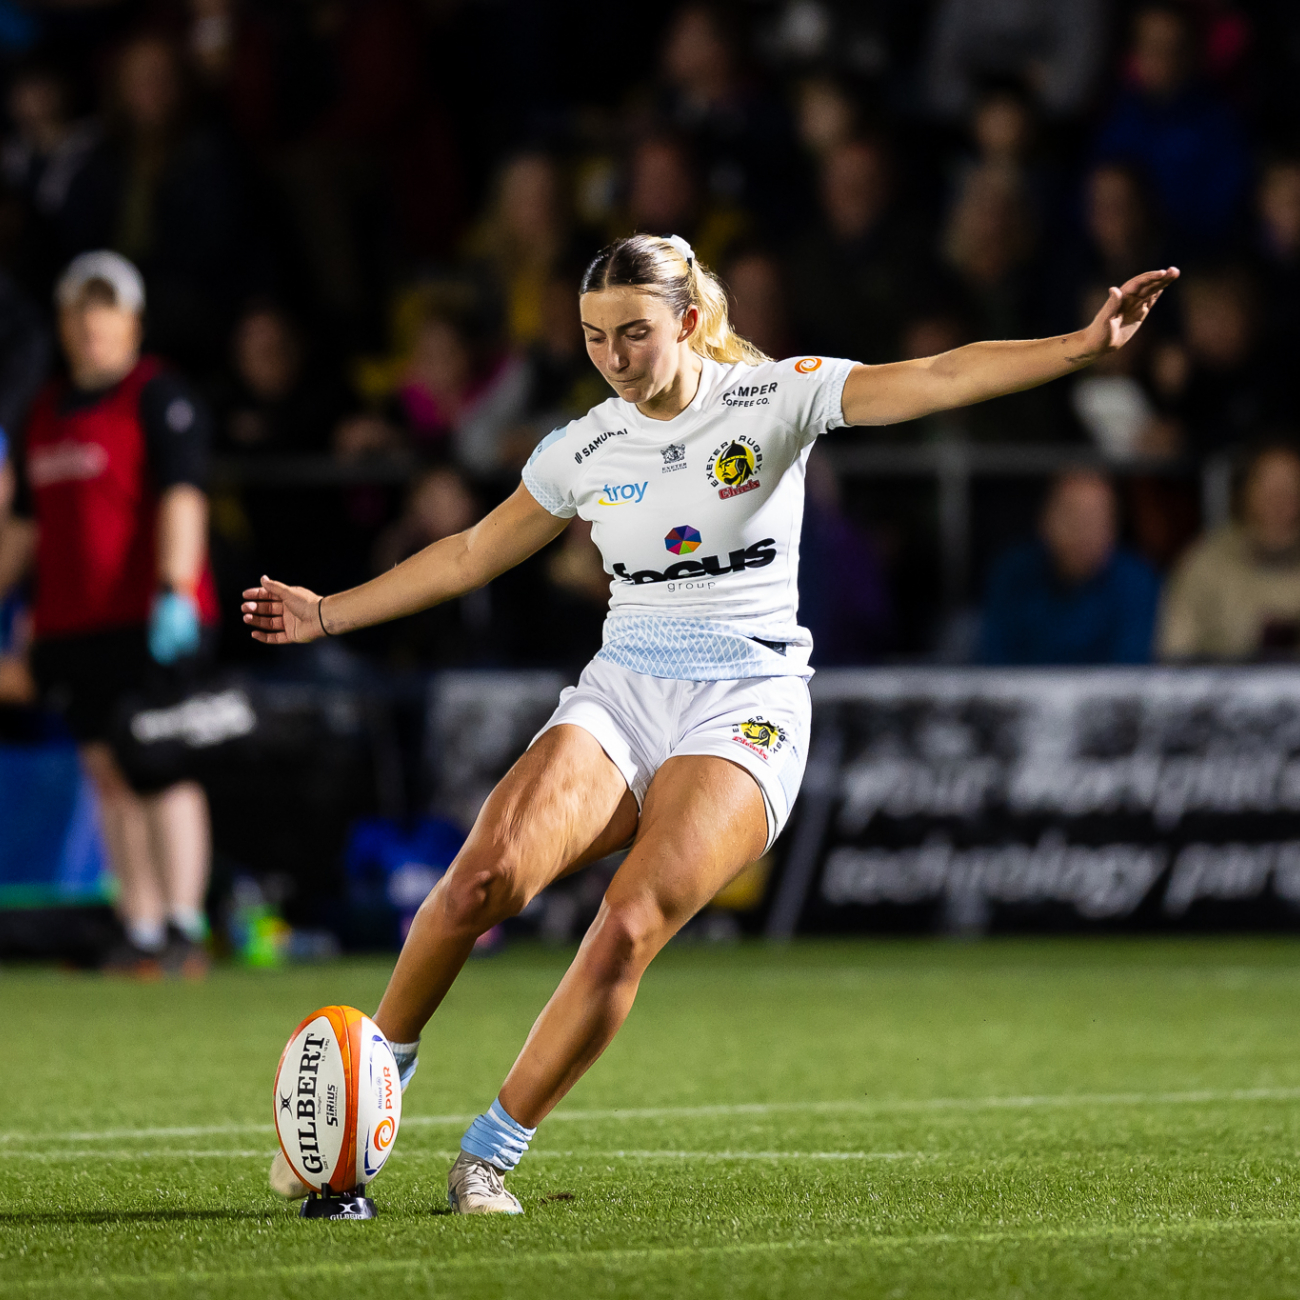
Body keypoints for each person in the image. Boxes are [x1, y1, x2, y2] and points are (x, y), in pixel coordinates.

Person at [244, 233, 1176, 1213]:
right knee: (481, 877)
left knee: (628, 922)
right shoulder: (584, 446)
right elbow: (472, 552)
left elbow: (937, 374)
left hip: (746, 700)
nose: (612, 356)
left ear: (688, 322)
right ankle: (373, 1077)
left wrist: (1074, 348)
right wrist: (327, 611)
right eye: (595, 336)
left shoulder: (773, 397)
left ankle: (487, 1153)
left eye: (633, 333)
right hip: (625, 689)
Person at [0, 251, 218, 976]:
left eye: (107, 310)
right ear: (64, 322)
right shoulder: (43, 414)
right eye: (81, 311)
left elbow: (184, 493)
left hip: (148, 617)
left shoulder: (158, 396)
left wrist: (175, 589)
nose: (93, 325)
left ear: (132, 321)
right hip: (71, 626)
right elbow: (25, 529)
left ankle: (186, 922)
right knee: (107, 772)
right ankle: (143, 926)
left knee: (160, 764)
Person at [978, 469, 1161, 665]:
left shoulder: (1137, 581)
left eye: (1094, 519)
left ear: (1114, 527)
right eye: (1072, 516)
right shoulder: (1012, 573)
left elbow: (1128, 673)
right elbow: (993, 663)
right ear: (1044, 520)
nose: (1083, 531)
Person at [1158, 443, 1300, 660]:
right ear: (1244, 493)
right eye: (1267, 486)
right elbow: (1174, 654)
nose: (1278, 499)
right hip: (1217, 689)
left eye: (1289, 487)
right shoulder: (1204, 562)